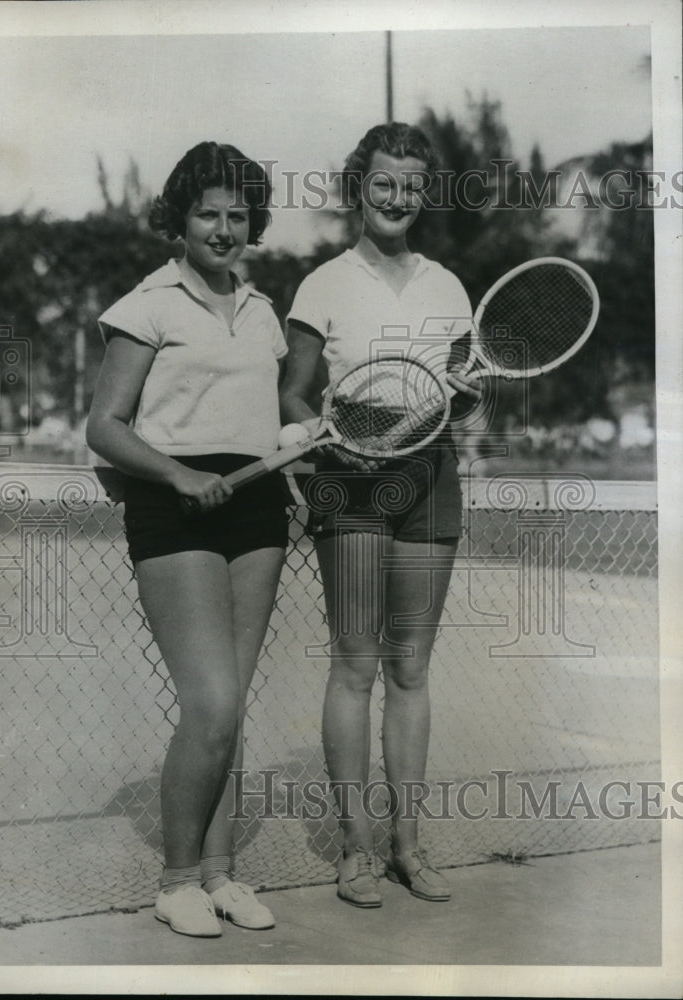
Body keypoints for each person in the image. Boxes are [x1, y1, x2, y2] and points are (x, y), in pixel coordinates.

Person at [86, 141, 289, 937]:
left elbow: (262, 423)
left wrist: (300, 433)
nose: (224, 227)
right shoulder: (147, 305)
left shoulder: (264, 311)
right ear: (177, 222)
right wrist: (177, 477)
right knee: (207, 703)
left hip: (257, 506)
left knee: (231, 707)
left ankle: (220, 875)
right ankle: (175, 882)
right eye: (208, 212)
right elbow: (105, 426)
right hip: (177, 510)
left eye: (238, 214)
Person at [280, 122, 480, 908]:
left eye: (410, 185)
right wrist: (325, 446)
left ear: (422, 193)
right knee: (355, 664)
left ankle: (408, 846)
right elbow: (294, 393)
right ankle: (355, 852)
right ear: (359, 187)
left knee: (409, 667)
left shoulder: (449, 286)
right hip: (348, 476)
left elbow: (463, 395)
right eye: (383, 183)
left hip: (429, 478)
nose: (396, 197)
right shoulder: (322, 283)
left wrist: (469, 398)